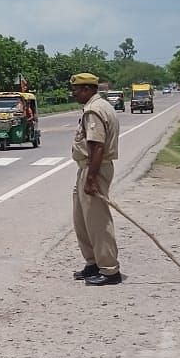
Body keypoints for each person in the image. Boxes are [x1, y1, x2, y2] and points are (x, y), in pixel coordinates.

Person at [69, 73, 122, 286]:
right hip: (87, 169)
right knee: (82, 219)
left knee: (97, 221)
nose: (74, 93)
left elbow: (97, 146)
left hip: (95, 169)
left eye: (77, 89)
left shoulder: (95, 110)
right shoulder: (98, 106)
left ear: (88, 89)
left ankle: (109, 270)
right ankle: (93, 262)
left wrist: (91, 178)